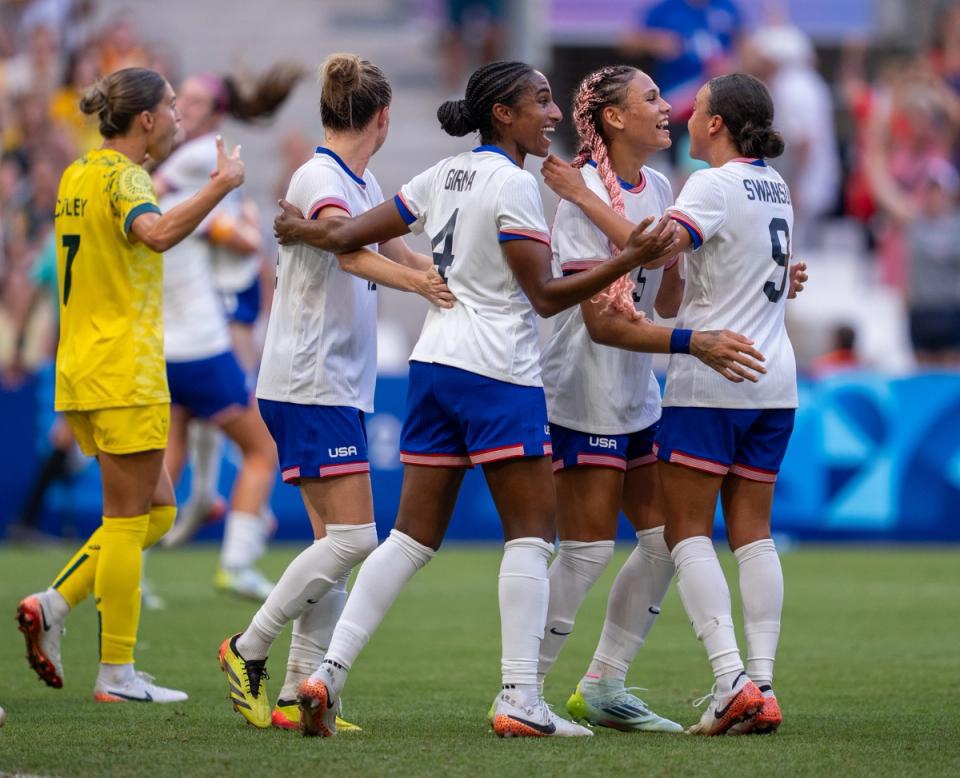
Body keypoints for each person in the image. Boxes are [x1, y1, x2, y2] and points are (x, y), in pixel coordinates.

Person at [272, 60, 680, 738]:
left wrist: (302, 229)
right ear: (504, 114)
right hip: (499, 372)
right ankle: (521, 697)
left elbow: (349, 235)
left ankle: (326, 675)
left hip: (434, 364)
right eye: (542, 102)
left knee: (407, 539)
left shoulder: (441, 174)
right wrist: (626, 259)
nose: (553, 114)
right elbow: (547, 295)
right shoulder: (514, 187)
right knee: (530, 538)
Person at [218, 53, 454, 732]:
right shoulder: (320, 175)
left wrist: (438, 272)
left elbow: (393, 247)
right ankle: (248, 647)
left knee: (336, 549)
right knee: (356, 538)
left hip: (334, 379)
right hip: (308, 377)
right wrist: (423, 289)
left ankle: (299, 693)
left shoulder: (360, 176)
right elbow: (349, 251)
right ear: (382, 118)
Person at [534, 64, 768, 735]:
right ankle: (520, 688)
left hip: (635, 392)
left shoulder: (659, 186)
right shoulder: (574, 203)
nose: (669, 107)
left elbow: (663, 296)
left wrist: (759, 272)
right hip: (583, 388)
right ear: (612, 117)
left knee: (669, 539)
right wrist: (692, 343)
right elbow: (603, 321)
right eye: (651, 98)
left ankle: (604, 682)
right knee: (584, 552)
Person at [15, 66, 245, 703]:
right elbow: (158, 232)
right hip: (124, 368)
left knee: (159, 510)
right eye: (172, 107)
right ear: (145, 119)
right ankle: (116, 673)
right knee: (125, 520)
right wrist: (221, 186)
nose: (177, 117)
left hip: (82, 366)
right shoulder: (128, 177)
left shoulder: (78, 172)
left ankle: (54, 602)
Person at [655, 73, 796, 735]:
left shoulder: (708, 185)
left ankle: (728, 679)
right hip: (774, 379)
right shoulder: (776, 184)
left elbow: (662, 245)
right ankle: (761, 683)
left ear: (716, 124)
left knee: (686, 532)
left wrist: (589, 210)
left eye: (697, 107)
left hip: (714, 378)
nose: (685, 114)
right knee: (754, 536)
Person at [152, 64, 303, 599]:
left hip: (168, 340)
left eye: (190, 101)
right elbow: (235, 236)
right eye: (178, 100)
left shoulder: (192, 158)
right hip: (198, 337)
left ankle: (131, 565)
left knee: (168, 458)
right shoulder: (191, 163)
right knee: (262, 450)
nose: (180, 109)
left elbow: (240, 238)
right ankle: (236, 559)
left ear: (214, 113)